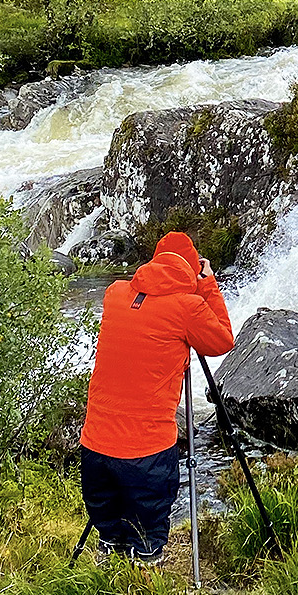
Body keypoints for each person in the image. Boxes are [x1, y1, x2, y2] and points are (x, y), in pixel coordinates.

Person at [79, 230, 236, 562]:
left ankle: (107, 572)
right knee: (148, 540)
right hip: (146, 456)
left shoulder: (115, 294)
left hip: (94, 449)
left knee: (110, 530)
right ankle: (148, 589)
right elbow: (222, 340)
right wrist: (206, 285)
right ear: (192, 269)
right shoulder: (188, 307)